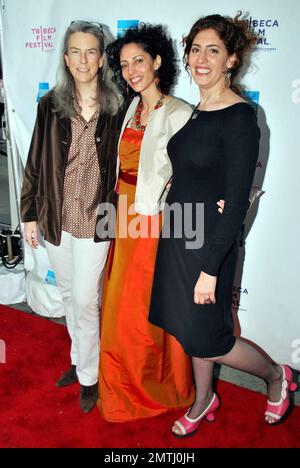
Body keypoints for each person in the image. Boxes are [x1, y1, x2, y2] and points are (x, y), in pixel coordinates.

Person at [149, 13, 297, 437]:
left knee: (211, 336)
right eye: (195, 49)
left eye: (213, 50)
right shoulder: (200, 109)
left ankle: (274, 375)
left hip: (208, 245)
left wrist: (211, 268)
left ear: (231, 59)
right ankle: (203, 399)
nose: (200, 58)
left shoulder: (239, 117)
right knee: (191, 330)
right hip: (180, 233)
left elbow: (234, 203)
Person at [97, 23, 225, 422]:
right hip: (121, 213)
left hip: (153, 222)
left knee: (141, 310)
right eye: (124, 64)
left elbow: (196, 171)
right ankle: (120, 386)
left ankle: (159, 387)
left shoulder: (180, 112)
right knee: (116, 306)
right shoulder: (128, 108)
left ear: (157, 61)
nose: (132, 70)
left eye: (139, 60)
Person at [20, 21, 128, 413]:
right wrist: (29, 214)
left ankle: (90, 376)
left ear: (101, 59)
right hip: (56, 218)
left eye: (91, 52)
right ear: (66, 59)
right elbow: (34, 162)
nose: (83, 60)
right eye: (75, 52)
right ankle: (77, 359)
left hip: (96, 220)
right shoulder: (50, 104)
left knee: (85, 300)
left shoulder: (119, 106)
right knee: (68, 296)